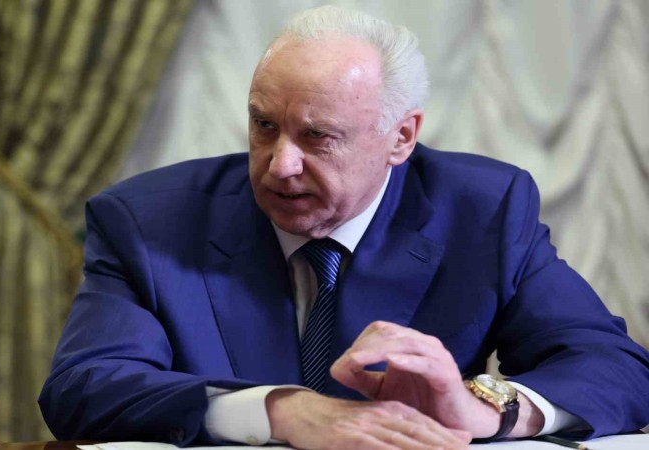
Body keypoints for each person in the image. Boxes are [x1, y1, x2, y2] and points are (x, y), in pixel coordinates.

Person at [39, 6, 649, 449]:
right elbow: (85, 386)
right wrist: (279, 411)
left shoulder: (482, 211)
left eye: (318, 136)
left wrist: (488, 410)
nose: (280, 165)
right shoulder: (148, 220)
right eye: (264, 126)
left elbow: (615, 367)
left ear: (401, 137)